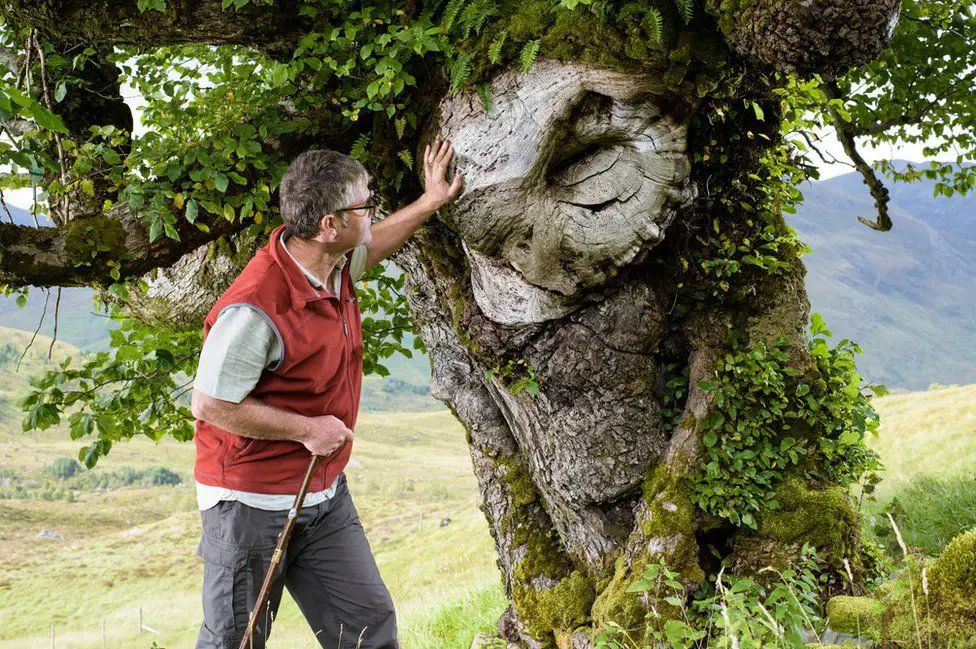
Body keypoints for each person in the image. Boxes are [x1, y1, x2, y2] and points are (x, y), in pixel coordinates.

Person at [189, 138, 463, 649]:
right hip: (248, 504)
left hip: (323, 492)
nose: (373, 210)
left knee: (367, 627)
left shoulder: (329, 265)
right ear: (329, 225)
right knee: (235, 640)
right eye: (365, 205)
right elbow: (210, 403)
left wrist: (429, 202)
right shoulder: (255, 307)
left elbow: (372, 247)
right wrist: (307, 429)